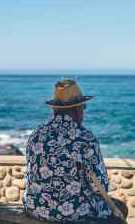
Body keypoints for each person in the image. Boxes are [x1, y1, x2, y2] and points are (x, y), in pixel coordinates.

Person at [23, 80, 127, 223]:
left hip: (35, 207)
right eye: (84, 107)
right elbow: (99, 187)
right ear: (78, 110)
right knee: (120, 209)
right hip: (71, 213)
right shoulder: (85, 138)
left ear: (54, 109)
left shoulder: (36, 133)